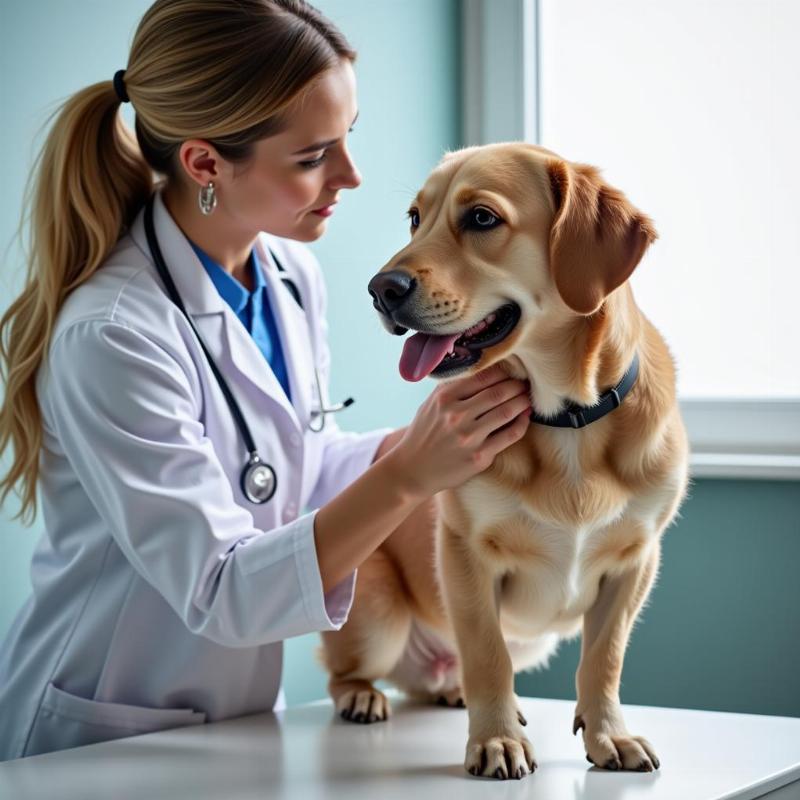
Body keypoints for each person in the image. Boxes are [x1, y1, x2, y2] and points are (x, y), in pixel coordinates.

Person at [0, 0, 533, 761]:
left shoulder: (287, 274)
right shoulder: (112, 334)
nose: (350, 175)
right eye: (314, 156)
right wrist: (410, 476)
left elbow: (291, 472)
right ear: (205, 163)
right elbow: (222, 590)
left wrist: (419, 443)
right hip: (93, 733)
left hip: (238, 723)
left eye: (347, 138)